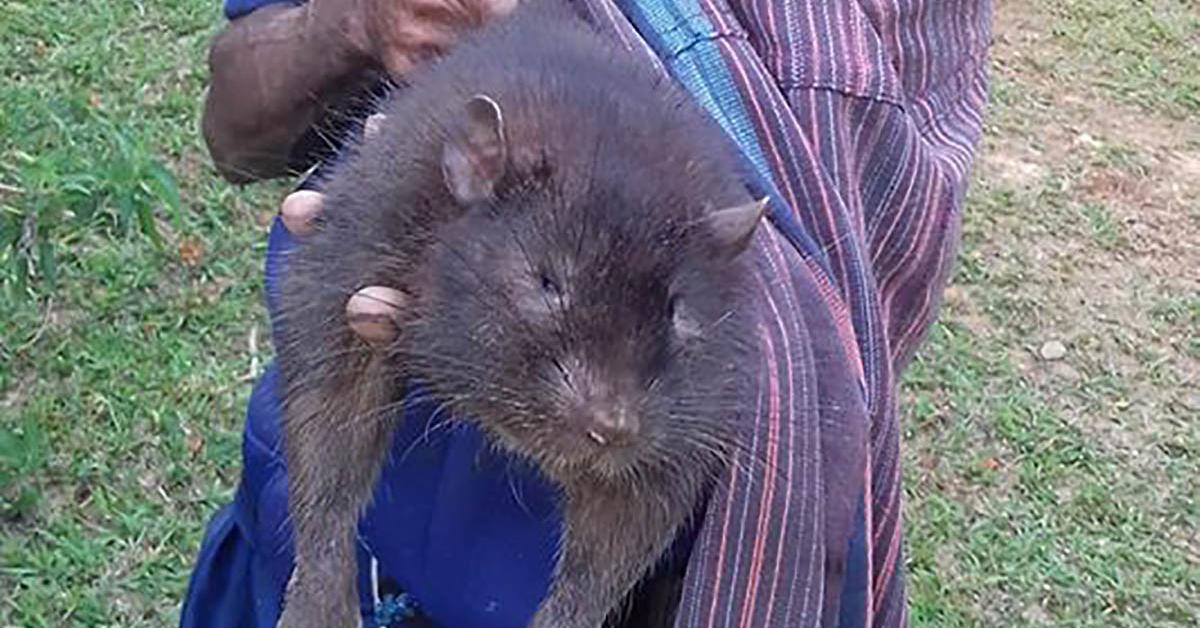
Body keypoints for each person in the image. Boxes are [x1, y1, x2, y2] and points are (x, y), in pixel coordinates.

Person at [181, 0, 993, 626]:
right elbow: (233, 123)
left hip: (676, 588)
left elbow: (876, 241)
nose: (604, 413)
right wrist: (359, 21)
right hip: (322, 556)